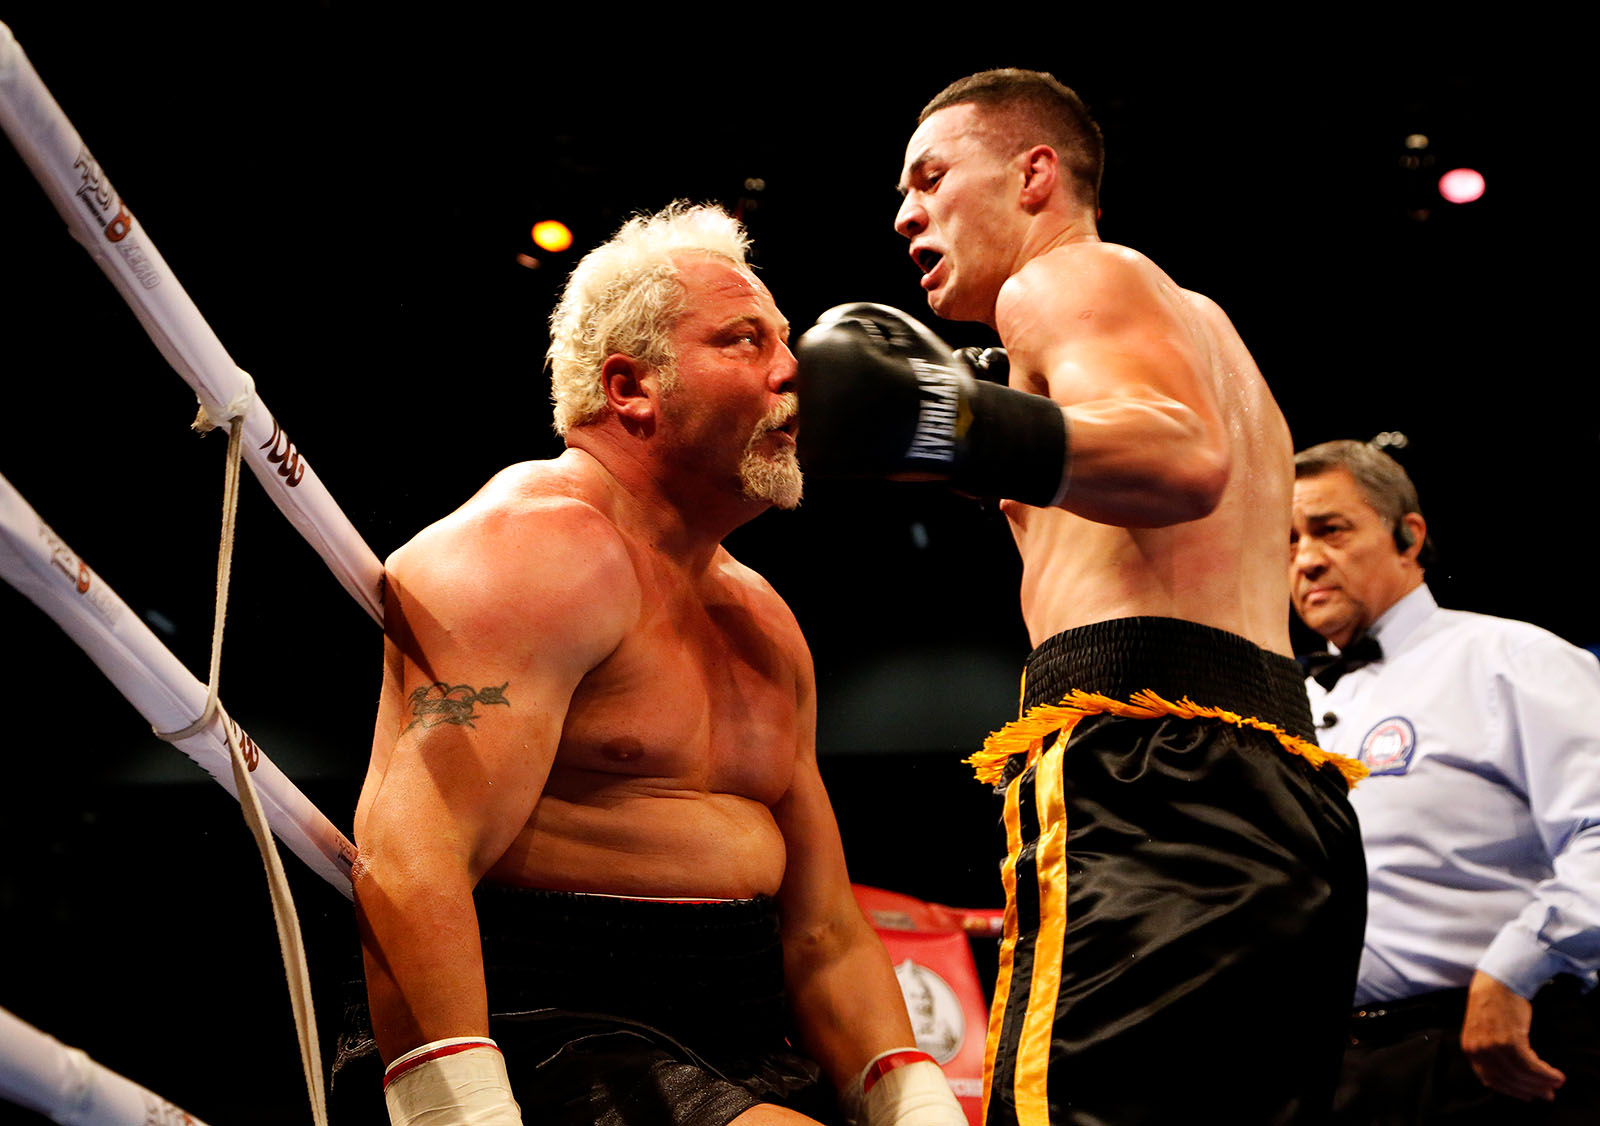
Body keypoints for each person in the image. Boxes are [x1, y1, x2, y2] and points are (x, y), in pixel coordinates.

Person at [794, 69, 1368, 1125]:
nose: (904, 213)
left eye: (930, 177)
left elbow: (1180, 459)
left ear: (1034, 175)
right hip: (1282, 793)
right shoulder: (1203, 326)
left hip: (1153, 778)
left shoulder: (1061, 280)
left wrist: (946, 421)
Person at [338, 202, 967, 1126]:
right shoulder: (531, 550)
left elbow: (825, 931)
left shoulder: (762, 618)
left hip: (744, 1045)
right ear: (631, 387)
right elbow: (412, 858)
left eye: (784, 339)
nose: (793, 370)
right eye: (745, 340)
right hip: (548, 1032)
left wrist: (917, 1105)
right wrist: (458, 1110)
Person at [1291, 439, 1600, 1124]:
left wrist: (1516, 967)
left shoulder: (1512, 659)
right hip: (1337, 1071)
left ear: (1409, 536)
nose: (1306, 559)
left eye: (1330, 530)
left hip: (1498, 1049)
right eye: (1287, 541)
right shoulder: (1290, 706)